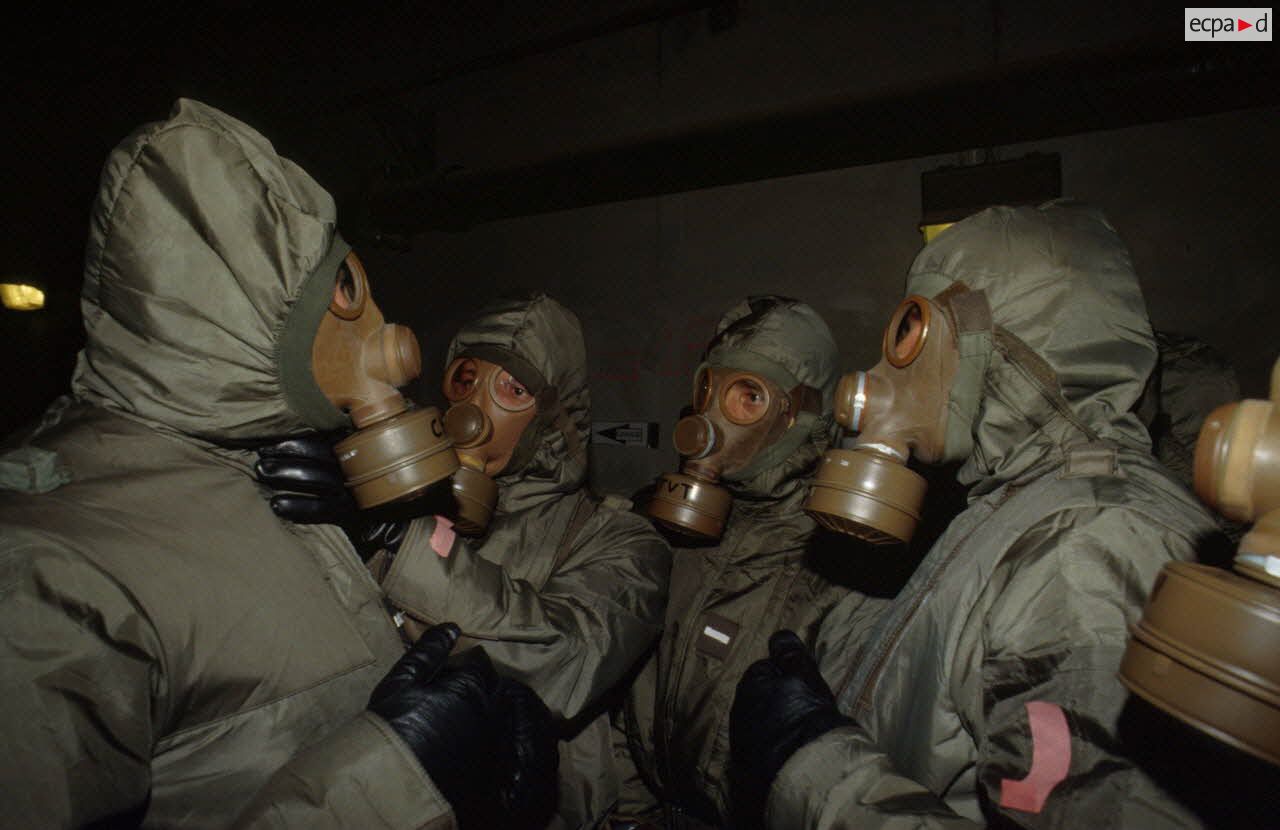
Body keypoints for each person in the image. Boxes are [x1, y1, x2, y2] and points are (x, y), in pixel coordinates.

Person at [0, 98, 556, 829]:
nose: (392, 339)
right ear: (243, 307)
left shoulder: (273, 469)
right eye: (345, 293)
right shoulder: (46, 571)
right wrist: (391, 781)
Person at [730, 201, 1224, 829]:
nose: (881, 374)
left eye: (912, 334)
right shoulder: (1011, 508)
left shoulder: (1092, 546)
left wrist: (813, 765)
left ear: (999, 347)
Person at [258, 293, 673, 829]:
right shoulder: (394, 513)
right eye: (466, 378)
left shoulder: (621, 542)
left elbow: (561, 662)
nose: (475, 411)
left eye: (513, 389)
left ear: (554, 415)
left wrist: (399, 541)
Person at [607, 296, 852, 828]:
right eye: (708, 391)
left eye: (748, 397)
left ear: (799, 414)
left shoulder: (837, 565)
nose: (711, 418)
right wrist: (630, 813)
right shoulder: (664, 530)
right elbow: (626, 693)